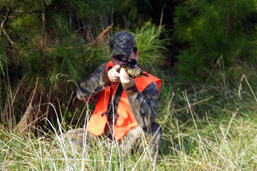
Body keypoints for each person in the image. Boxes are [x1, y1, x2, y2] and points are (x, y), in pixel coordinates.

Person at [66, 31, 162, 158]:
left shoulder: (148, 82)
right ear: (111, 57)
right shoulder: (106, 69)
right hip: (98, 138)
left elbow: (146, 122)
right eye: (118, 57)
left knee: (153, 131)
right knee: (66, 138)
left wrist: (130, 87)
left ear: (136, 54)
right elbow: (80, 94)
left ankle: (133, 163)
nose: (123, 61)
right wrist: (106, 78)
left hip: (128, 141)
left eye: (127, 56)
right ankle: (99, 159)